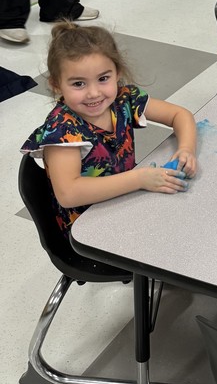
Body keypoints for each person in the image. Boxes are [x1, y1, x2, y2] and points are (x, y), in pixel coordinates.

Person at [22, 22, 197, 238]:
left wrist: (186, 149)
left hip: (127, 201)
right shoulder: (63, 131)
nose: (94, 93)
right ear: (57, 84)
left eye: (103, 79)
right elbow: (69, 194)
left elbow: (180, 115)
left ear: (117, 73)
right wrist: (139, 179)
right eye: (78, 84)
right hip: (88, 232)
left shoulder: (124, 99)